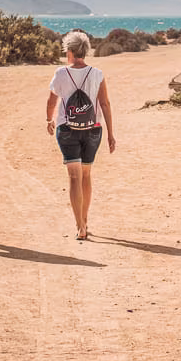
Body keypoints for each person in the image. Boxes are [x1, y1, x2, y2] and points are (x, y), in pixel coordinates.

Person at [46, 30, 116, 240]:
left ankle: (80, 227)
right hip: (93, 129)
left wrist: (48, 119)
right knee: (86, 175)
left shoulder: (60, 74)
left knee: (74, 177)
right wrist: (111, 134)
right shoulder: (97, 74)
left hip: (67, 130)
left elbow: (52, 101)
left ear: (69, 51)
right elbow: (104, 104)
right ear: (85, 50)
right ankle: (84, 220)